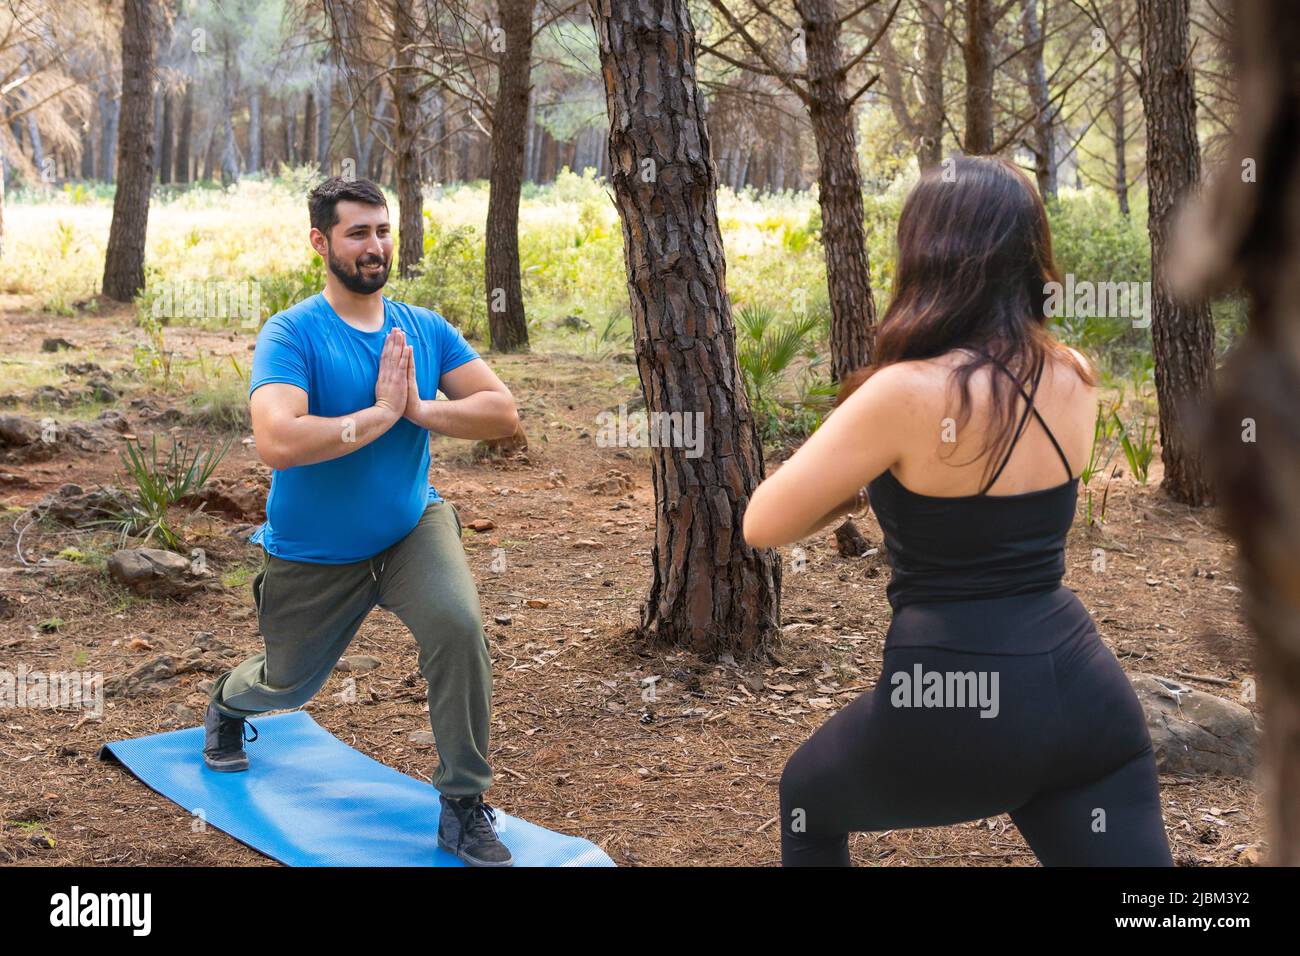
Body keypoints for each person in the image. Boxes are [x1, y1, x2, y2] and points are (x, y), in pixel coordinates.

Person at [742, 156, 1174, 867]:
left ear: (926, 256)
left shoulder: (903, 392)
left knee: (807, 798)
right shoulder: (1074, 373)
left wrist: (861, 486)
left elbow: (763, 523)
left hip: (952, 696)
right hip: (1083, 693)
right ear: (1030, 255)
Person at [202, 176, 520, 867]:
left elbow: (502, 413)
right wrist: (376, 417)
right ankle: (227, 703)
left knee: (458, 627)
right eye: (357, 233)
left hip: (410, 529)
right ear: (321, 242)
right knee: (287, 684)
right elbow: (277, 440)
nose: (375, 247)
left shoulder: (423, 328)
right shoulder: (292, 333)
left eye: (382, 231)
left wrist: (420, 410)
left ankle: (463, 804)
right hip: (315, 551)